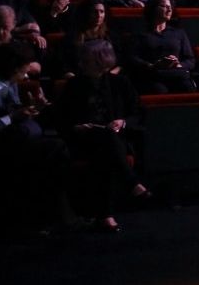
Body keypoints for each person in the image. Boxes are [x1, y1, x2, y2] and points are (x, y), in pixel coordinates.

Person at [57, 39, 150, 232]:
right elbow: (61, 119)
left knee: (106, 144)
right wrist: (77, 127)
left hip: (114, 138)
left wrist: (122, 122)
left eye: (88, 59)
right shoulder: (74, 85)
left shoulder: (120, 83)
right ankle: (131, 183)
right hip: (82, 139)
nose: (83, 62)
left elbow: (137, 114)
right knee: (106, 142)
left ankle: (105, 215)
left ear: (101, 60)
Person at [0, 43, 76, 237]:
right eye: (23, 71)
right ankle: (56, 217)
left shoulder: (11, 84)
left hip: (19, 140)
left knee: (55, 154)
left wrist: (35, 109)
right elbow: (7, 119)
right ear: (12, 68)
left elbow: (17, 113)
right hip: (3, 144)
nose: (26, 76)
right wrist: (13, 117)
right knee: (55, 151)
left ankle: (56, 216)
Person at [124, 0, 195, 94]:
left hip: (176, 74)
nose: (169, 9)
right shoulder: (140, 33)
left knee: (186, 87)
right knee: (159, 90)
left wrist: (178, 64)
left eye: (170, 7)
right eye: (164, 6)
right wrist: (152, 65)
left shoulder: (179, 33)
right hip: (153, 75)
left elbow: (190, 60)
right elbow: (132, 57)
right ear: (153, 9)